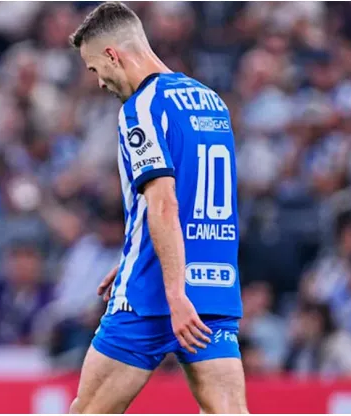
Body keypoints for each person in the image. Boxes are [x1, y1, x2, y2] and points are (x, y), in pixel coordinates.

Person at [68, 3, 246, 413]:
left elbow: (164, 202)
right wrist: (140, 247)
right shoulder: (211, 102)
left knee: (88, 412)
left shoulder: (141, 109)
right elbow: (196, 195)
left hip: (153, 296)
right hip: (212, 289)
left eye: (95, 69)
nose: (99, 83)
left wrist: (171, 289)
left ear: (112, 54)